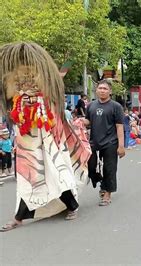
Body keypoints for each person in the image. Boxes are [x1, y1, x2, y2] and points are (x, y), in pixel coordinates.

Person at [0, 42, 91, 231]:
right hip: (26, 137)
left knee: (56, 172)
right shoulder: (12, 80)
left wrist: (71, 57)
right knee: (28, 178)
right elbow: (9, 97)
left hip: (48, 135)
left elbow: (57, 82)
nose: (26, 78)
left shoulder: (46, 79)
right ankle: (19, 217)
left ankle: (72, 205)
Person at [82, 79, 125, 207]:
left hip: (110, 142)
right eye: (100, 88)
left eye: (105, 89)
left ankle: (107, 193)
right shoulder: (91, 105)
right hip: (94, 141)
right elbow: (88, 122)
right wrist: (79, 122)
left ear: (110, 91)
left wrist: (121, 146)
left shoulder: (116, 107)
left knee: (109, 169)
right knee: (90, 165)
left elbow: (119, 127)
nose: (102, 90)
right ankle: (99, 179)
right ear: (96, 90)